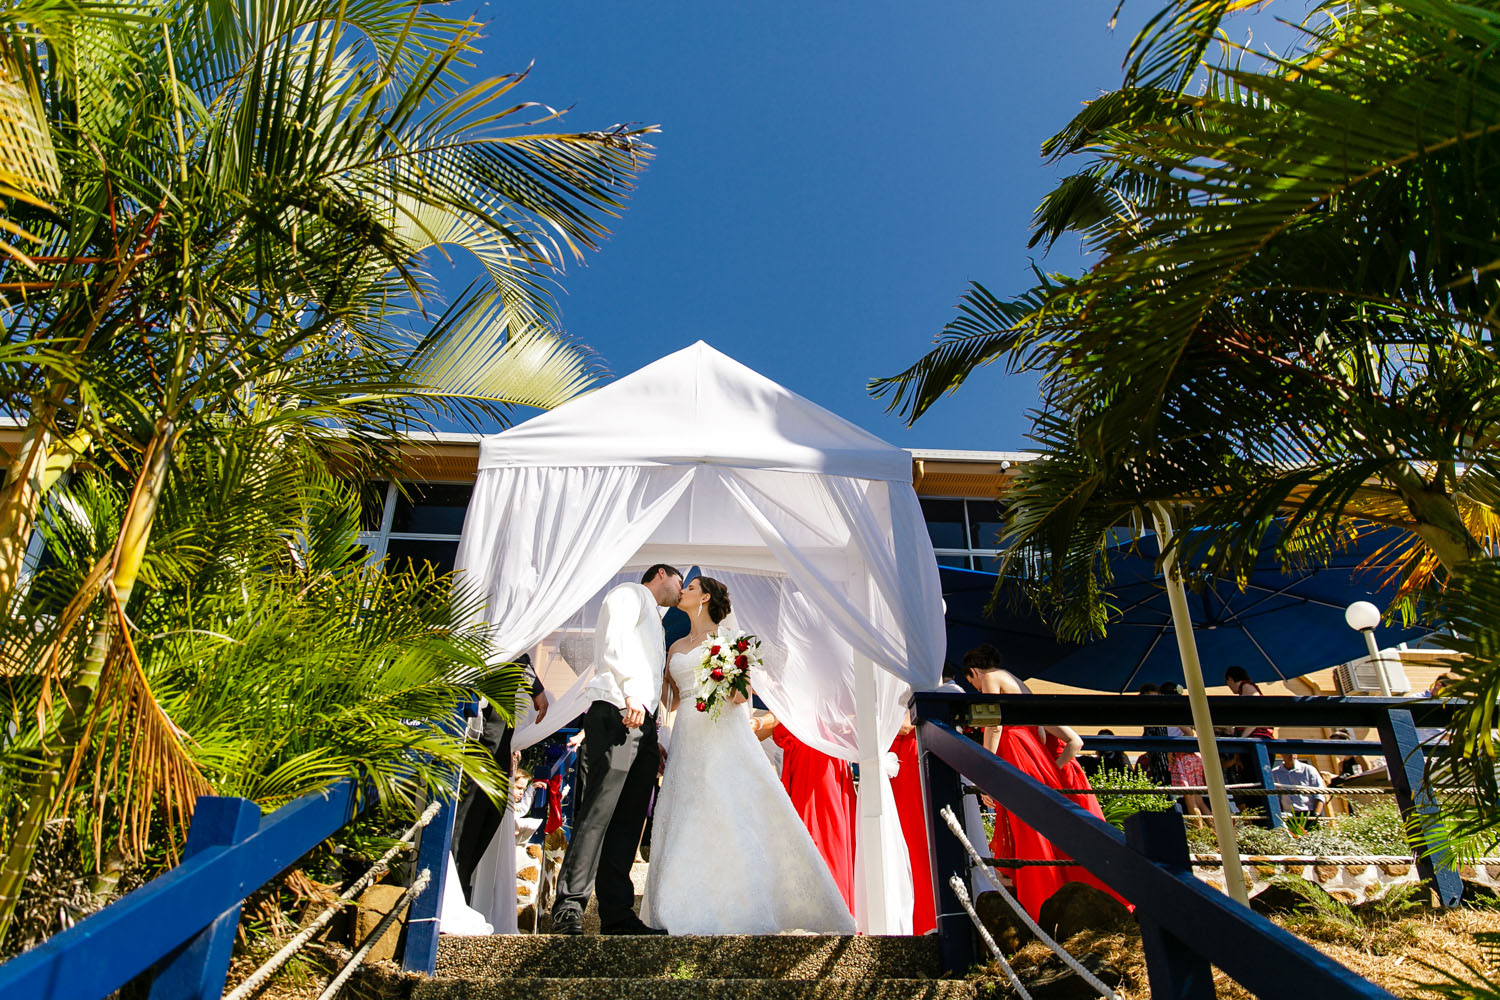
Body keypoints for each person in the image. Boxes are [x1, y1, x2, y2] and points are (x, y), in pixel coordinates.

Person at [642, 576, 855, 934]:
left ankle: (743, 897)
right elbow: (671, 699)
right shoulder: (675, 645)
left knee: (728, 806)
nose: (684, 592)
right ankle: (684, 897)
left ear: (705, 597)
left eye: (690, 588)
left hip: (723, 731)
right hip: (687, 734)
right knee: (687, 807)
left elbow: (742, 697)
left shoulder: (729, 643)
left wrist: (726, 672)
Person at [551, 564, 683, 936]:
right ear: (660, 575)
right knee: (598, 812)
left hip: (642, 722)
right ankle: (569, 907)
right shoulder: (629, 594)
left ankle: (616, 913)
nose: (680, 590)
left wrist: (651, 736)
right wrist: (630, 693)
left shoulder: (656, 623)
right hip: (617, 709)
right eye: (678, 582)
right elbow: (614, 642)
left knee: (628, 820)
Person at [967, 646, 1129, 918]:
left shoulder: (990, 678)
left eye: (971, 682)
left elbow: (992, 723)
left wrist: (984, 767)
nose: (976, 687)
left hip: (1015, 749)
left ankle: (1041, 896)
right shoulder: (1016, 681)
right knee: (1037, 823)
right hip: (1028, 749)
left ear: (973, 671)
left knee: (1028, 826)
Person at [451, 653, 548, 904]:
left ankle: (461, 891)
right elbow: (507, 645)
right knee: (470, 814)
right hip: (479, 729)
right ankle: (453, 891)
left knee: (490, 814)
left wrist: (535, 687)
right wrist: (536, 688)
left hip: (500, 730)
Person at [761, 712, 858, 913]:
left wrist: (758, 722)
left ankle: (828, 910)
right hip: (804, 757)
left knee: (821, 834)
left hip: (817, 759)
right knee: (809, 836)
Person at [889, 713, 936, 934]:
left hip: (908, 759)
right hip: (893, 761)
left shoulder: (904, 685)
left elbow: (905, 724)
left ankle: (926, 915)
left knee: (914, 836)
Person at [1270, 752, 1327, 826]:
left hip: (1308, 814)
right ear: (1282, 754)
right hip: (1288, 816)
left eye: (1294, 752)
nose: (1291, 755)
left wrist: (1316, 815)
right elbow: (1276, 798)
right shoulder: (1275, 773)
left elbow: (1319, 794)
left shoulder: (1308, 770)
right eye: (1288, 753)